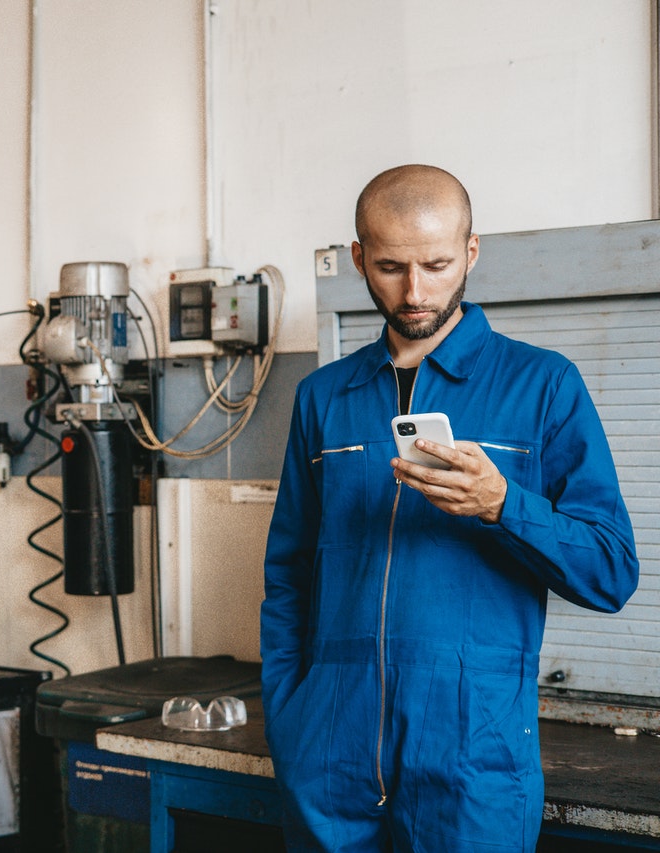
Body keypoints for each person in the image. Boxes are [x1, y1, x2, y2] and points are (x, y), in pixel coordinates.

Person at [260, 164, 638, 852]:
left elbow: (612, 570)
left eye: (436, 264)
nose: (414, 291)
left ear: (470, 252)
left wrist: (504, 505)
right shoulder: (323, 397)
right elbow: (288, 572)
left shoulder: (543, 386)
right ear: (357, 260)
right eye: (390, 266)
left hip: (473, 760)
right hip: (328, 758)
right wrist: (292, 713)